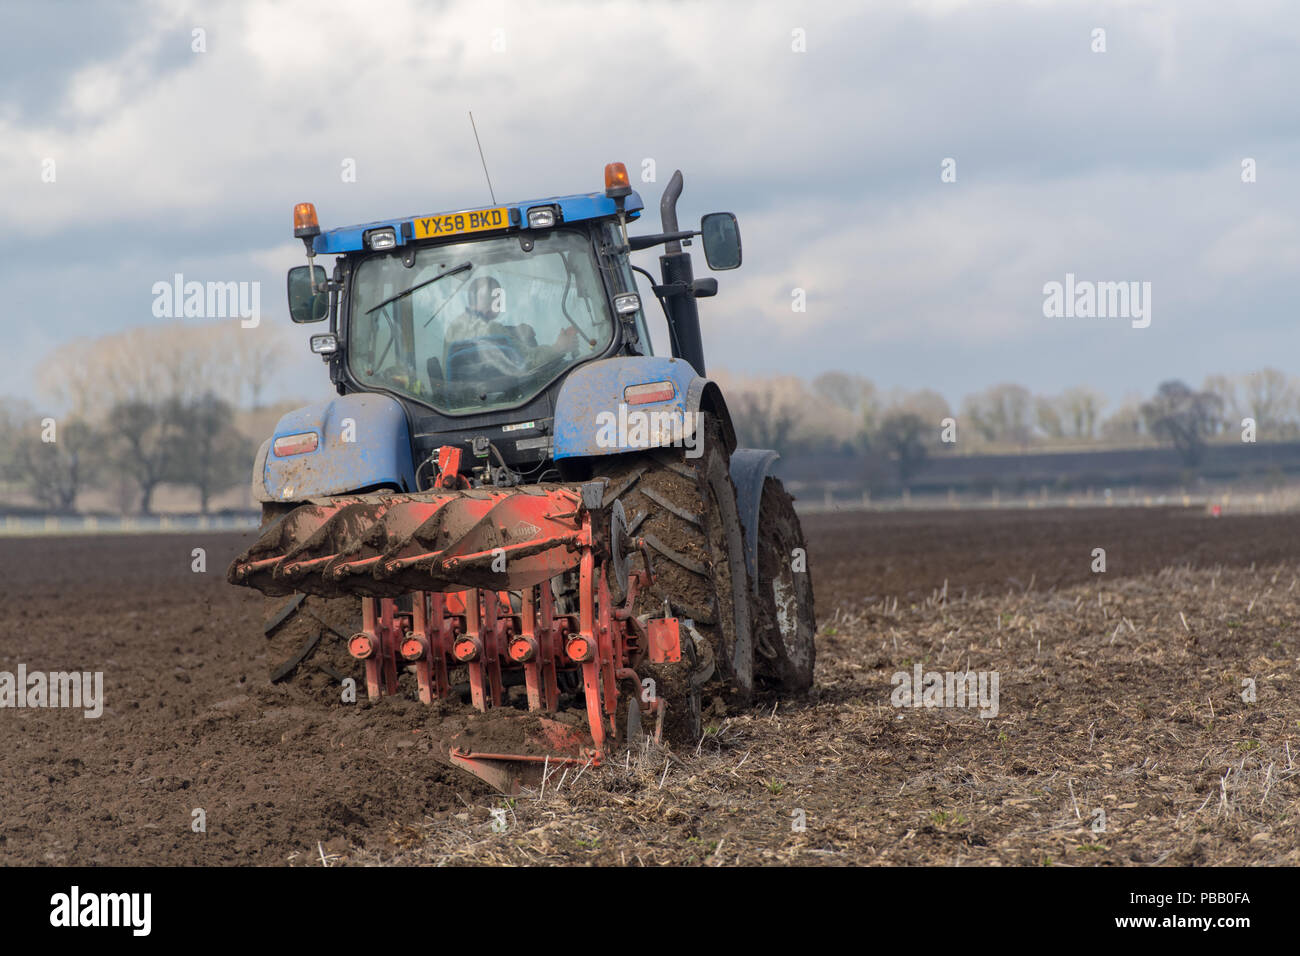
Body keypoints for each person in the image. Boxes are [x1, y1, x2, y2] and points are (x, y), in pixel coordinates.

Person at [442, 275, 577, 380]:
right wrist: (559, 347)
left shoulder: (454, 328)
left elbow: (485, 336)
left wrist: (513, 330)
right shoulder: (493, 330)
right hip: (504, 397)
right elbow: (530, 362)